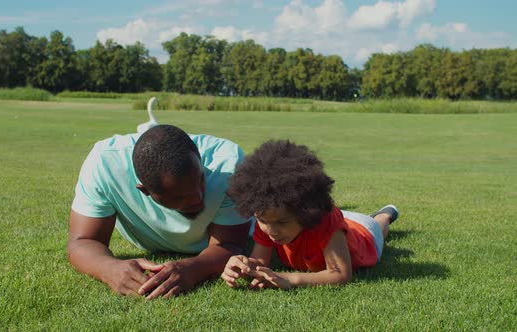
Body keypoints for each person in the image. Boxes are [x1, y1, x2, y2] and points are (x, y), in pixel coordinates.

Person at [68, 124, 250, 299]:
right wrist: (109, 268)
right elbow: (83, 241)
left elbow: (231, 244)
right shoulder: (104, 164)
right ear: (145, 190)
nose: (197, 198)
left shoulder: (228, 164)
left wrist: (194, 269)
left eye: (201, 180)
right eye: (180, 197)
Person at [221, 140, 400, 289]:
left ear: (306, 211)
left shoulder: (324, 220)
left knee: (377, 227)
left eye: (282, 222)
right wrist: (245, 266)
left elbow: (340, 274)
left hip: (364, 233)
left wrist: (290, 279)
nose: (271, 231)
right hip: (339, 221)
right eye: (261, 220)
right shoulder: (268, 216)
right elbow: (260, 262)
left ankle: (385, 215)